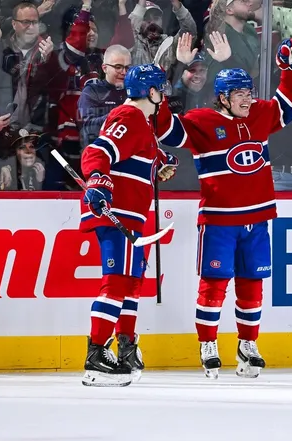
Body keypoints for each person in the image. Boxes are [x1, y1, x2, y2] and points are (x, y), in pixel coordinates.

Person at [155, 35, 292, 379]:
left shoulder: (261, 114)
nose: (248, 99)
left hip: (258, 218)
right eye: (240, 94)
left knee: (253, 284)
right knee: (214, 283)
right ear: (223, 97)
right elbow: (164, 128)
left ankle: (247, 343)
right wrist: (165, 80)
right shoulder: (201, 121)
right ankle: (208, 343)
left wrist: (291, 68)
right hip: (220, 220)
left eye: (250, 92)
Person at [80, 64, 179, 387]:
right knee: (118, 282)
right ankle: (96, 354)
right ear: (150, 92)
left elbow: (134, 155)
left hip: (132, 216)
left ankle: (125, 348)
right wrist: (97, 179)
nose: (163, 96)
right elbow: (99, 150)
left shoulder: (143, 124)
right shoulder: (130, 117)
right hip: (117, 213)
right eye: (160, 90)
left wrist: (158, 164)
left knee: (131, 282)